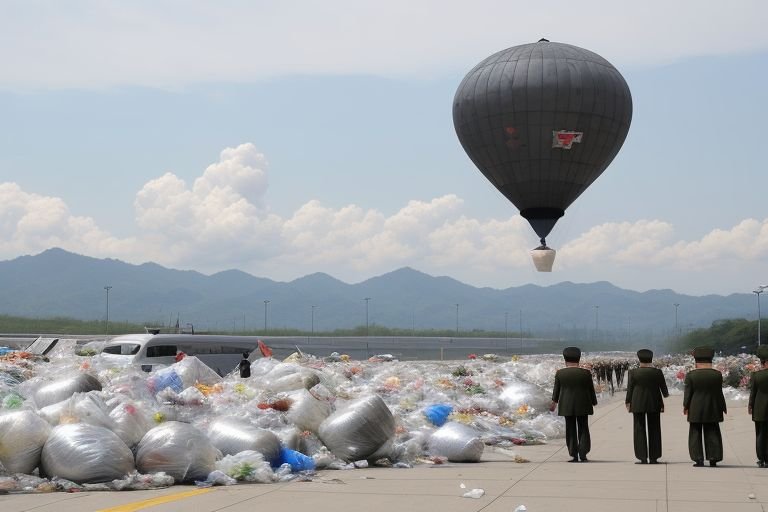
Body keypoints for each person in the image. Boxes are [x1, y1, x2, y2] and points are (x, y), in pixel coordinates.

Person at [550, 346, 598, 462]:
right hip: (583, 404)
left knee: (570, 429)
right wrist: (594, 402)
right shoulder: (586, 373)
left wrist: (554, 403)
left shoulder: (560, 374)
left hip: (566, 405)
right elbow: (590, 389)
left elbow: (556, 391)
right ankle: (583, 453)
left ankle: (573, 454)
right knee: (583, 428)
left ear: (565, 359)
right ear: (579, 358)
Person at [683, 346, 727, 467]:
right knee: (712, 431)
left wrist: (685, 406)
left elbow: (688, 393)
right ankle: (714, 458)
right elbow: (719, 392)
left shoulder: (691, 375)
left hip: (695, 407)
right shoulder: (717, 375)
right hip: (713, 406)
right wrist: (723, 406)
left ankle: (698, 459)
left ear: (696, 361)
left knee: (695, 432)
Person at [625, 349, 669, 464]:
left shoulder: (633, 372)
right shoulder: (657, 372)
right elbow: (664, 390)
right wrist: (665, 395)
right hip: (654, 402)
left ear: (639, 359)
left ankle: (642, 457)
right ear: (651, 359)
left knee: (639, 429)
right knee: (654, 429)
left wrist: (628, 401)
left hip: (637, 402)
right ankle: (654, 457)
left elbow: (630, 389)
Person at [748, 346, 768, 467]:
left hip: (760, 408)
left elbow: (753, 393)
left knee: (760, 433)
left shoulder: (756, 376)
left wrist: (750, 405)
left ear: (764, 362)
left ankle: (761, 459)